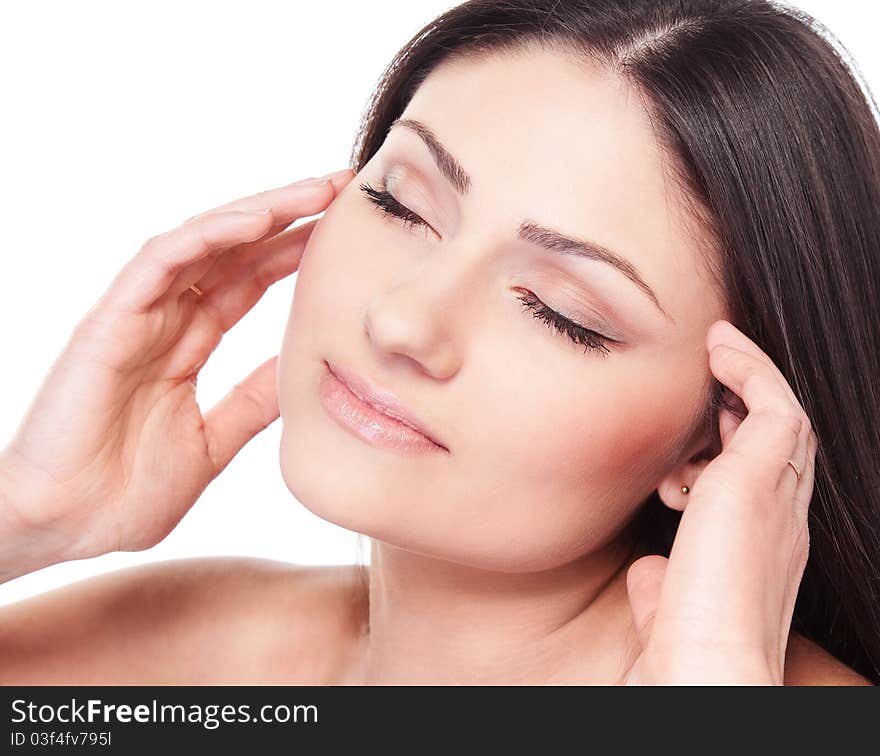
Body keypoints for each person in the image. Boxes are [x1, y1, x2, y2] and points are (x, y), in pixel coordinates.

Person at [0, 0, 877, 685]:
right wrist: (26, 520)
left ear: (717, 435)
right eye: (401, 205)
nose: (404, 321)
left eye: (560, 310)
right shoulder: (186, 658)